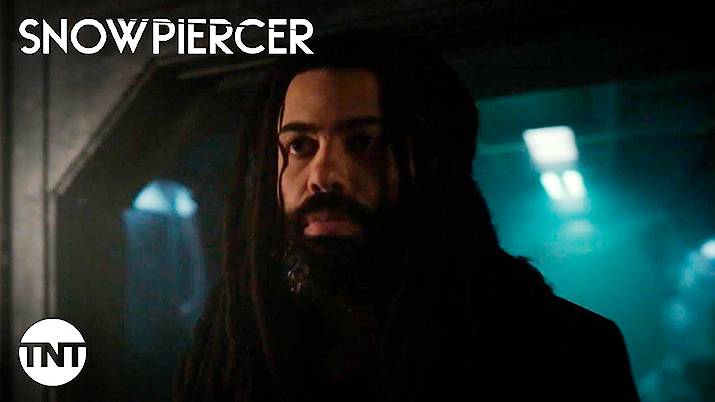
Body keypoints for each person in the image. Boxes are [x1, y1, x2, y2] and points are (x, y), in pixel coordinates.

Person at [173, 31, 641, 401]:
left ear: (435, 162)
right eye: (299, 145)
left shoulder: (559, 346)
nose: (323, 176)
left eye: (363, 142)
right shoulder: (235, 343)